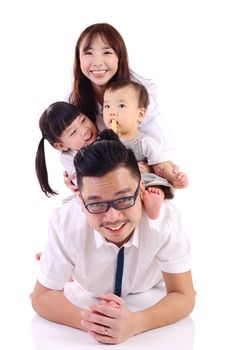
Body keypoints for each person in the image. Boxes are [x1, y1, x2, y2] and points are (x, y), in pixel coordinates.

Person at [31, 129, 195, 345]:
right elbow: (41, 297)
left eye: (124, 198)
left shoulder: (165, 219)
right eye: (97, 204)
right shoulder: (65, 225)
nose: (113, 217)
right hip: (87, 286)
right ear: (80, 200)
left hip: (148, 286)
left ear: (141, 188)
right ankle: (62, 265)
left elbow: (184, 295)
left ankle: (60, 264)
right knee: (63, 265)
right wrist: (99, 324)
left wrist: (135, 323)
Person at [63, 22, 177, 192]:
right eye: (88, 53)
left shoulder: (140, 91)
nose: (98, 62)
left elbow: (158, 144)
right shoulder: (74, 100)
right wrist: (76, 174)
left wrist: (151, 168)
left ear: (119, 57)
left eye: (107, 52)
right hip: (101, 177)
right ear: (79, 59)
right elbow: (69, 148)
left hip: (143, 172)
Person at [35, 101, 173, 217]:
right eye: (73, 132)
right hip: (99, 189)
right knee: (75, 205)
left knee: (151, 181)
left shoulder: (104, 129)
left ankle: (154, 199)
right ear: (61, 145)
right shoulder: (68, 157)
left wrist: (147, 167)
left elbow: (131, 151)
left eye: (83, 120)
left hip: (128, 176)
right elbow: (82, 181)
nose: (85, 130)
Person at [103, 80, 188, 218]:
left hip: (142, 180)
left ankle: (154, 199)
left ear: (140, 115)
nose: (112, 112)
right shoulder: (104, 141)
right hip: (115, 182)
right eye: (106, 106)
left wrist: (173, 178)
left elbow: (161, 165)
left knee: (155, 185)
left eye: (121, 106)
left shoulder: (145, 142)